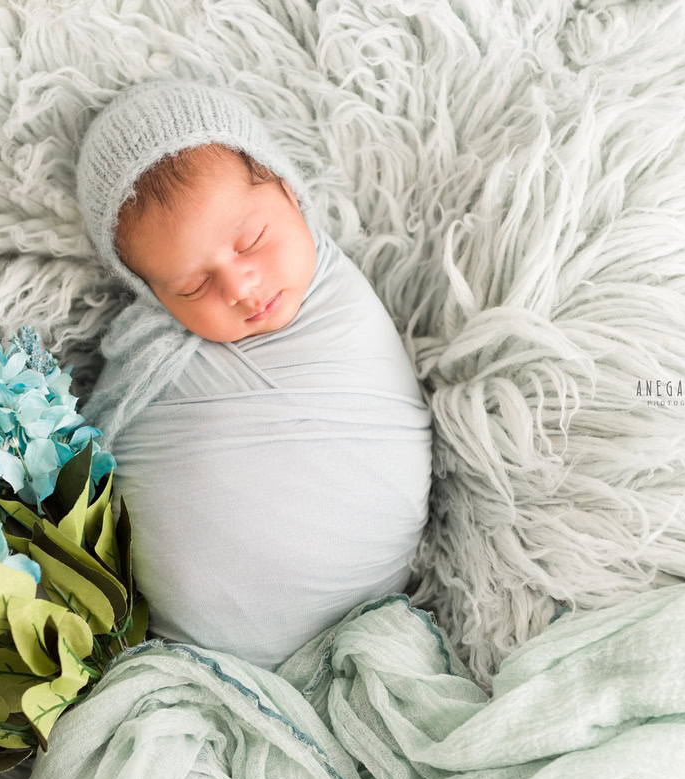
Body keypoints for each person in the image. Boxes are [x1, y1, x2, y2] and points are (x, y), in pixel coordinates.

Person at [74, 77, 435, 671]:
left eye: (252, 240)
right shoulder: (151, 349)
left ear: (289, 191)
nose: (241, 288)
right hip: (177, 658)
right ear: (150, 295)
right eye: (192, 286)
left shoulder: (335, 303)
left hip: (367, 620)